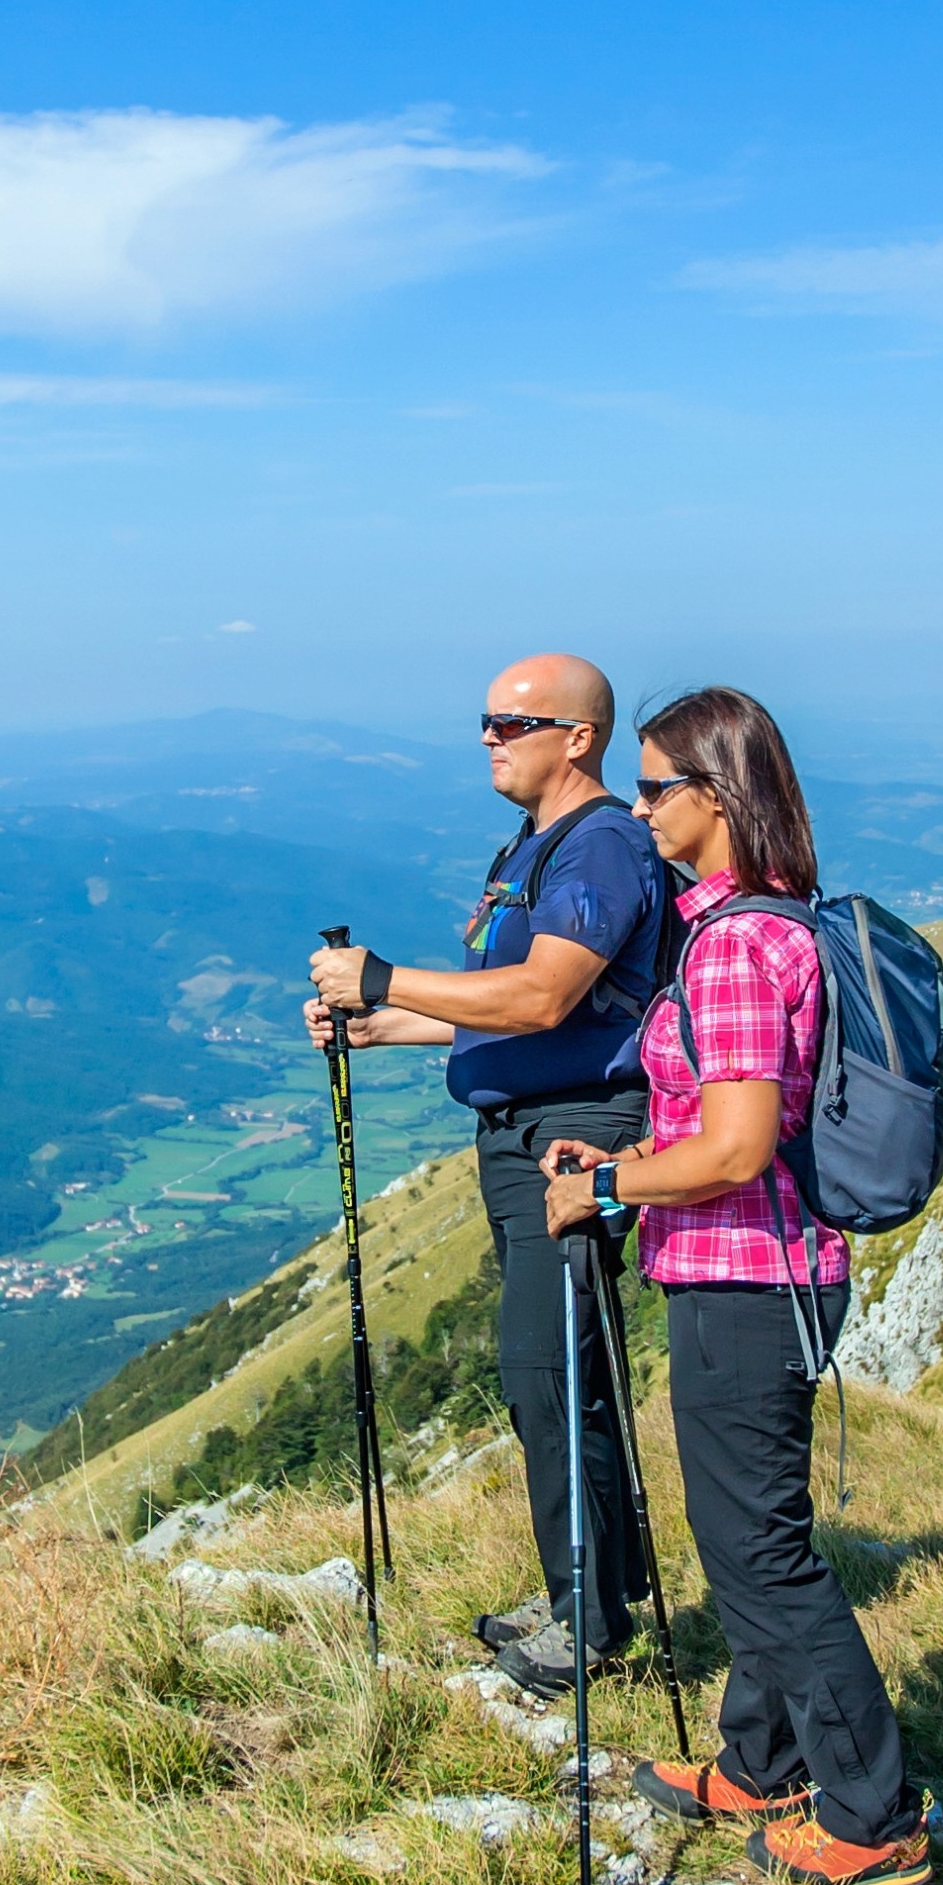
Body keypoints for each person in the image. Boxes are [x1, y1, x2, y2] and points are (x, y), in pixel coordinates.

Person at [543, 685, 928, 1885]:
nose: (641, 805)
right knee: (752, 1533)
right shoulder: (773, 923)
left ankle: (872, 1815)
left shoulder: (738, 947)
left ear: (718, 796)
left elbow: (735, 1146)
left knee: (755, 1551)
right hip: (777, 1275)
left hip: (743, 1278)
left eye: (657, 787)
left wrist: (608, 1182)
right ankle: (762, 1764)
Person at [305, 655, 668, 1693]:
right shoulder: (539, 846)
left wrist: (380, 976)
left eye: (512, 722)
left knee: (548, 1368)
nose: (488, 737)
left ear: (579, 735)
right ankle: (586, 1592)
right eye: (487, 721)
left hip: (573, 1132)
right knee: (558, 1369)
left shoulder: (599, 845)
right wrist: (377, 1024)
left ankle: (590, 1620)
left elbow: (546, 999)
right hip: (524, 1127)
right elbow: (493, 1002)